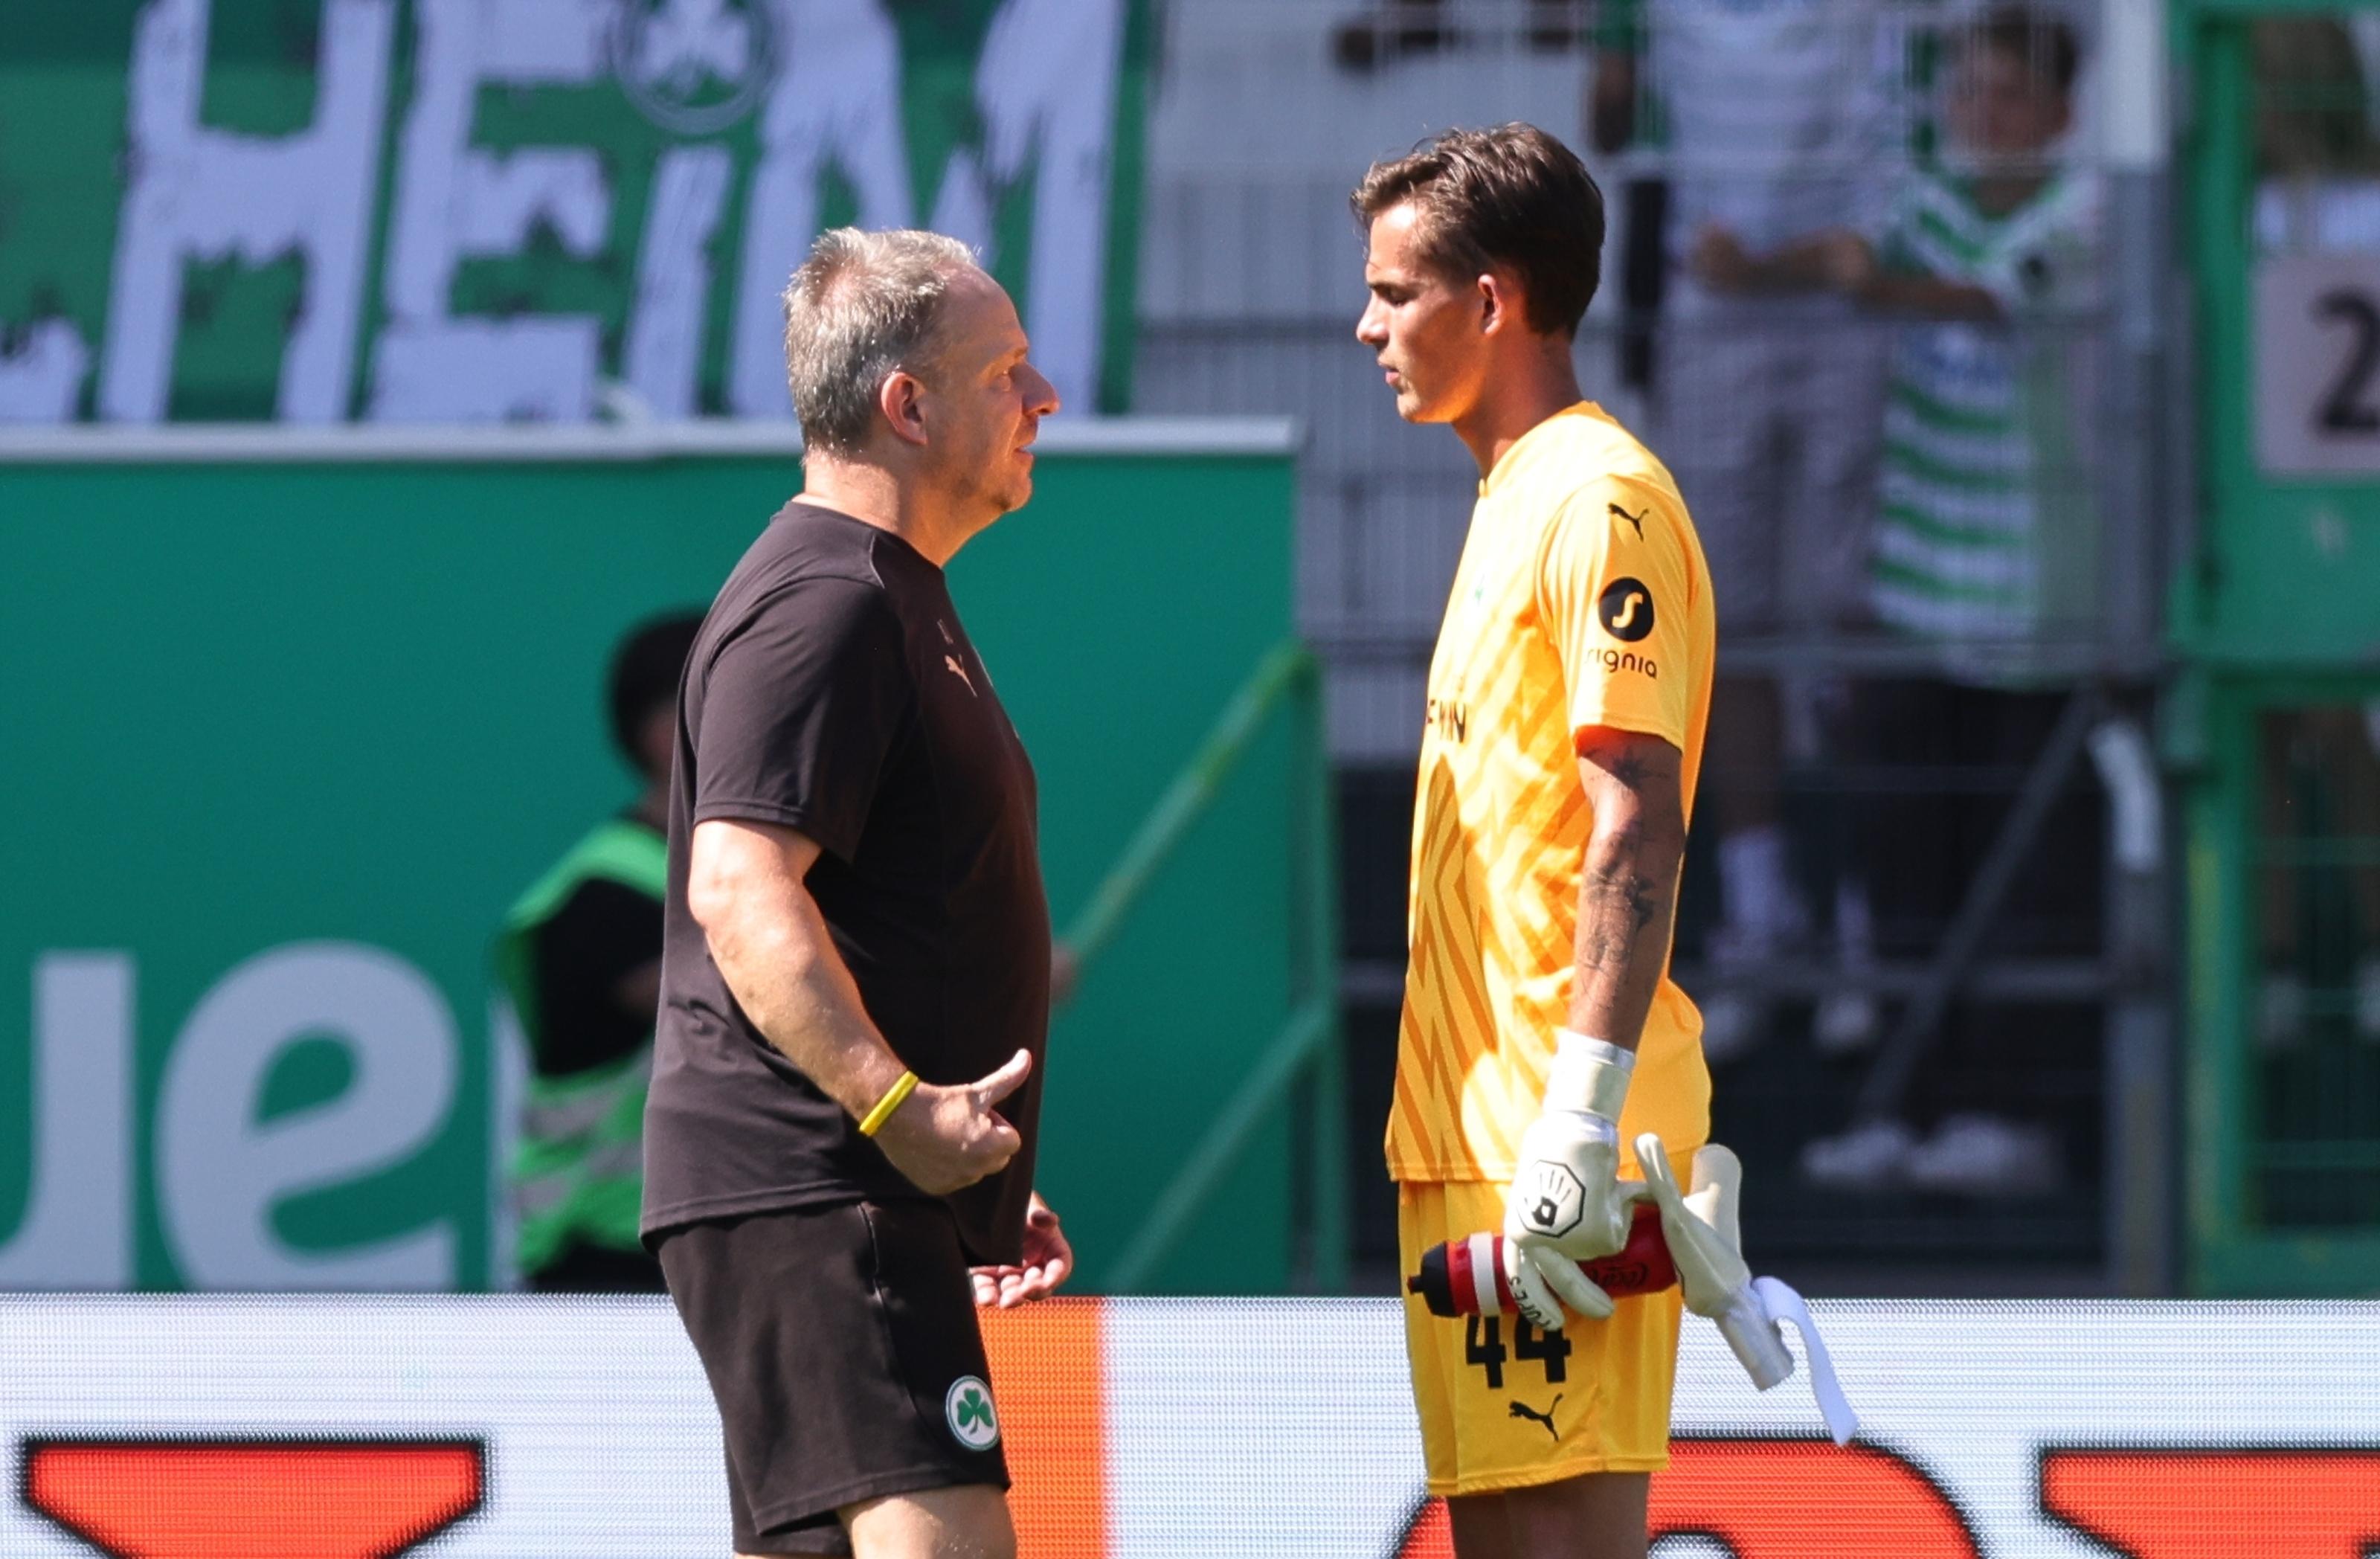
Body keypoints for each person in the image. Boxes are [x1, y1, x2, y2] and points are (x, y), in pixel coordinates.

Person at [642, 227, 1071, 1559]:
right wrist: (894, 1109)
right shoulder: (825, 602)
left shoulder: (885, 596)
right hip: (820, 1183)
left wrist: (968, 1163)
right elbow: (738, 884)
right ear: (908, 406)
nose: (1044, 397)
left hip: (849, 1184)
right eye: (1005, 371)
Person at [1354, 124, 1716, 1559]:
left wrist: (1581, 1112)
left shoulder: (1598, 501)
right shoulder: (1516, 494)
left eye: (1395, 292)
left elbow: (1638, 819)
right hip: (1474, 1136)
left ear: (1494, 301)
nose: (1369, 325)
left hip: (1551, 1141)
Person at [1595, 0, 1910, 1059]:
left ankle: (1866, 922)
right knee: (1726, 628)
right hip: (1713, 322)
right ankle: (1762, 918)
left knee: (1851, 629)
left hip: (1852, 321)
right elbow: (1607, 112)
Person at [496, 611, 702, 1293]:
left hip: (713, 1254)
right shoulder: (607, 895)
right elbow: (753, 1011)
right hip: (608, 1265)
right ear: (663, 734)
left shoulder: (764, 880)